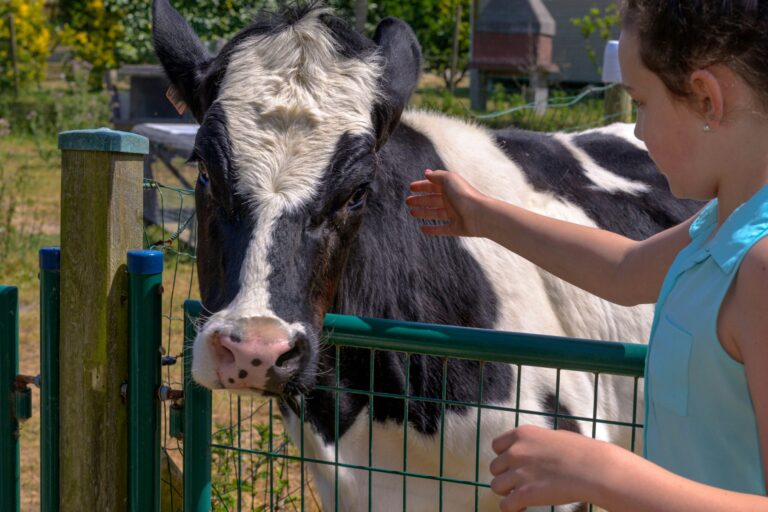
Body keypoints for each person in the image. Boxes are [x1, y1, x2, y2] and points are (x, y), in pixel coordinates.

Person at [406, 1, 768, 510]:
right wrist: (484, 217)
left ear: (707, 98)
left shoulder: (760, 266)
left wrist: (602, 470)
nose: (637, 131)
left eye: (641, 102)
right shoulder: (722, 226)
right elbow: (623, 269)